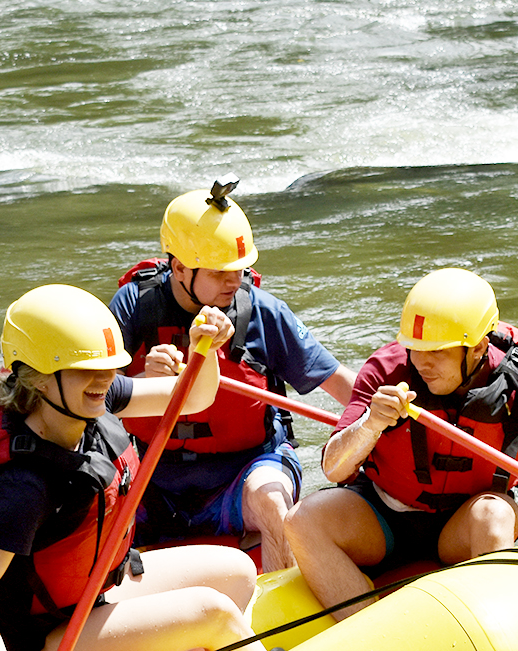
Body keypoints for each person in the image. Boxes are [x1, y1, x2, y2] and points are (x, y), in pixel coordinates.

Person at [0, 284, 271, 651]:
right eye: (86, 370)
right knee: (210, 612)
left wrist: (207, 349)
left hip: (96, 594)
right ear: (38, 376)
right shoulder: (21, 485)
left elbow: (192, 397)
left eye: (108, 368)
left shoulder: (82, 399)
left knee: (236, 569)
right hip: (45, 646)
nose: (103, 380)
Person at [109, 178, 356, 572]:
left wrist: (381, 414)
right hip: (155, 478)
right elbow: (88, 398)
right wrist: (139, 380)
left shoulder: (263, 312)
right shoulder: (134, 307)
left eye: (240, 270)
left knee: (273, 501)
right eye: (220, 272)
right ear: (179, 268)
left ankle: (279, 615)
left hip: (244, 472)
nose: (234, 282)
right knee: (94, 506)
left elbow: (340, 383)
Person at [284, 267, 518, 620]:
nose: (422, 362)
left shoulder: (516, 385)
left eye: (438, 352)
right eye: (414, 348)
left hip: (461, 528)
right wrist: (372, 423)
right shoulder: (385, 370)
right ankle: (368, 634)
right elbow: (333, 467)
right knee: (302, 520)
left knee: (496, 513)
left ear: (477, 348)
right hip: (383, 519)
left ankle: (491, 626)